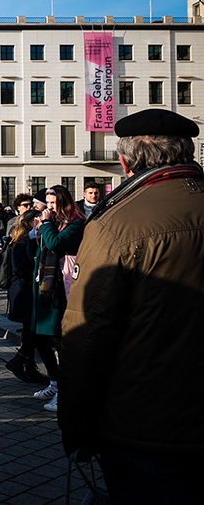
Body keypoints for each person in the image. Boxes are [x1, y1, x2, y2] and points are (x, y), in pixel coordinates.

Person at [60, 109, 204, 503]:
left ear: (125, 161)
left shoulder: (115, 225)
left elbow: (88, 337)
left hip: (147, 427)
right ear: (187, 151)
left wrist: (75, 428)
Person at [28, 184, 85, 411]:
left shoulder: (76, 223)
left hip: (63, 288)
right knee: (40, 337)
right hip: (45, 285)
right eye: (47, 203)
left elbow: (55, 243)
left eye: (53, 203)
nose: (49, 208)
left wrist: (48, 224)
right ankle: (53, 381)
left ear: (63, 202)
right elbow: (39, 246)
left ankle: (65, 390)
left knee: (59, 339)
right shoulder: (53, 223)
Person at [2, 210, 53, 386]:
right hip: (23, 290)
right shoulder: (21, 241)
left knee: (31, 332)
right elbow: (19, 268)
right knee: (32, 331)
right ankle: (21, 362)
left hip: (26, 290)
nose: (38, 223)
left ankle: (26, 366)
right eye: (36, 220)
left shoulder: (28, 239)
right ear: (28, 222)